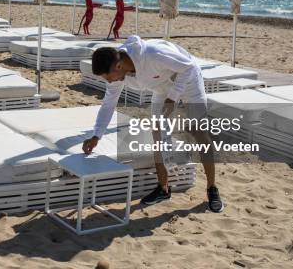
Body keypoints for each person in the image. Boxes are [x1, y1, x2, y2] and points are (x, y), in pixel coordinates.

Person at [82, 36, 224, 213]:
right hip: (161, 87)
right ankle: (163, 188)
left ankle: (212, 188)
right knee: (157, 133)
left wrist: (173, 97)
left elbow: (188, 67)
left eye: (108, 77)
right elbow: (109, 103)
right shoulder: (118, 74)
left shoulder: (153, 53)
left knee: (199, 132)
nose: (109, 82)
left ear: (118, 66)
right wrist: (97, 135)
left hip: (188, 81)